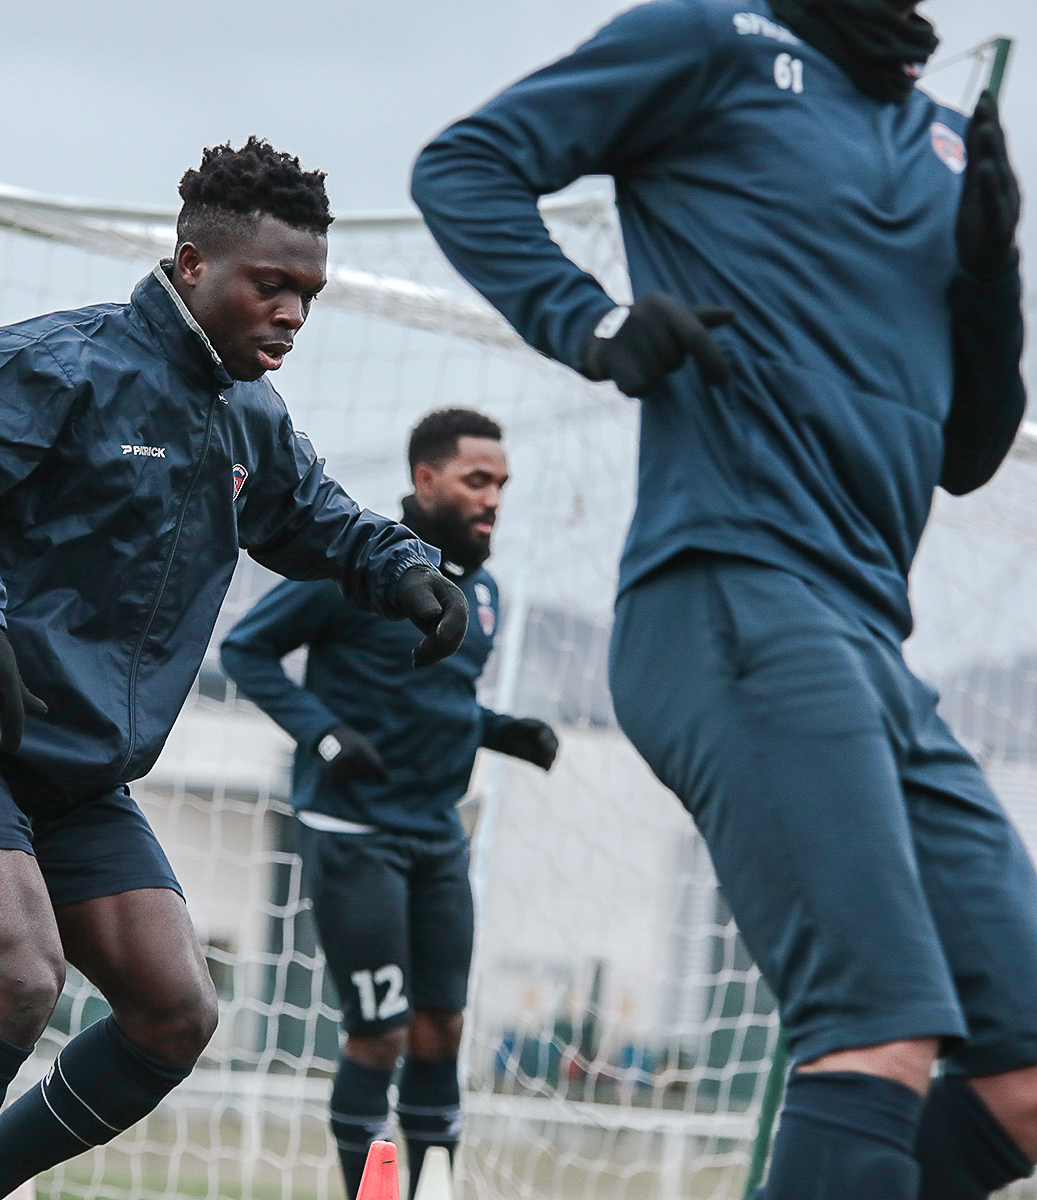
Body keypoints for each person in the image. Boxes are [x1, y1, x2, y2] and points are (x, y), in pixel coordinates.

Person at [412, 1, 1032, 1196]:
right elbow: (463, 167)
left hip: (870, 643)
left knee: (1023, 1079)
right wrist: (591, 323)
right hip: (731, 594)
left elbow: (966, 449)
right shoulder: (710, 39)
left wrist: (992, 280)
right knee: (877, 1037)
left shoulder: (946, 137)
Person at [0, 137, 470, 1200]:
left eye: (308, 293)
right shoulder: (58, 365)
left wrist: (404, 570)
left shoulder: (249, 421)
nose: (293, 314)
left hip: (73, 770)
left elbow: (318, 523)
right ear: (191, 266)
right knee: (21, 976)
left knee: (177, 1009)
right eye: (271, 285)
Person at [221, 407, 557, 1198]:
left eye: (502, 484)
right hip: (354, 834)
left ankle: (432, 1189)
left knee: (443, 1030)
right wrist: (324, 733)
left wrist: (503, 731)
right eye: (478, 480)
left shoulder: (488, 594)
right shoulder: (357, 569)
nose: (494, 498)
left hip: (438, 837)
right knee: (381, 1033)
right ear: (425, 479)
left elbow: (438, 701)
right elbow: (246, 649)